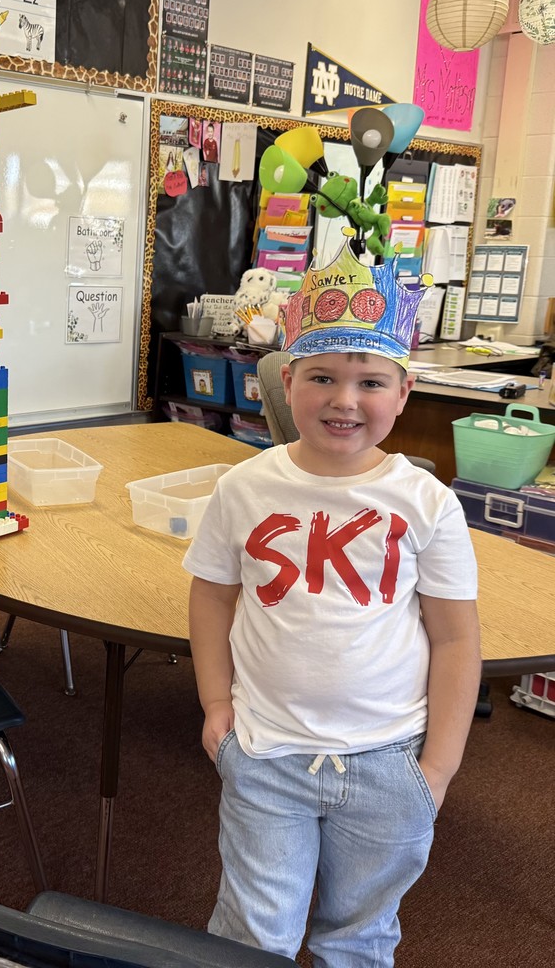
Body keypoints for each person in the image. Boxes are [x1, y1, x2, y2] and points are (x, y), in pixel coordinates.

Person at [184, 234, 481, 968]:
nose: (345, 400)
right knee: (255, 935)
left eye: (371, 382)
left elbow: (454, 640)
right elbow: (212, 599)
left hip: (389, 761)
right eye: (321, 377)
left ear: (403, 392)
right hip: (267, 752)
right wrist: (216, 709)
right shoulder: (243, 489)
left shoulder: (427, 503)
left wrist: (437, 769)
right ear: (286, 384)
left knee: (360, 939)